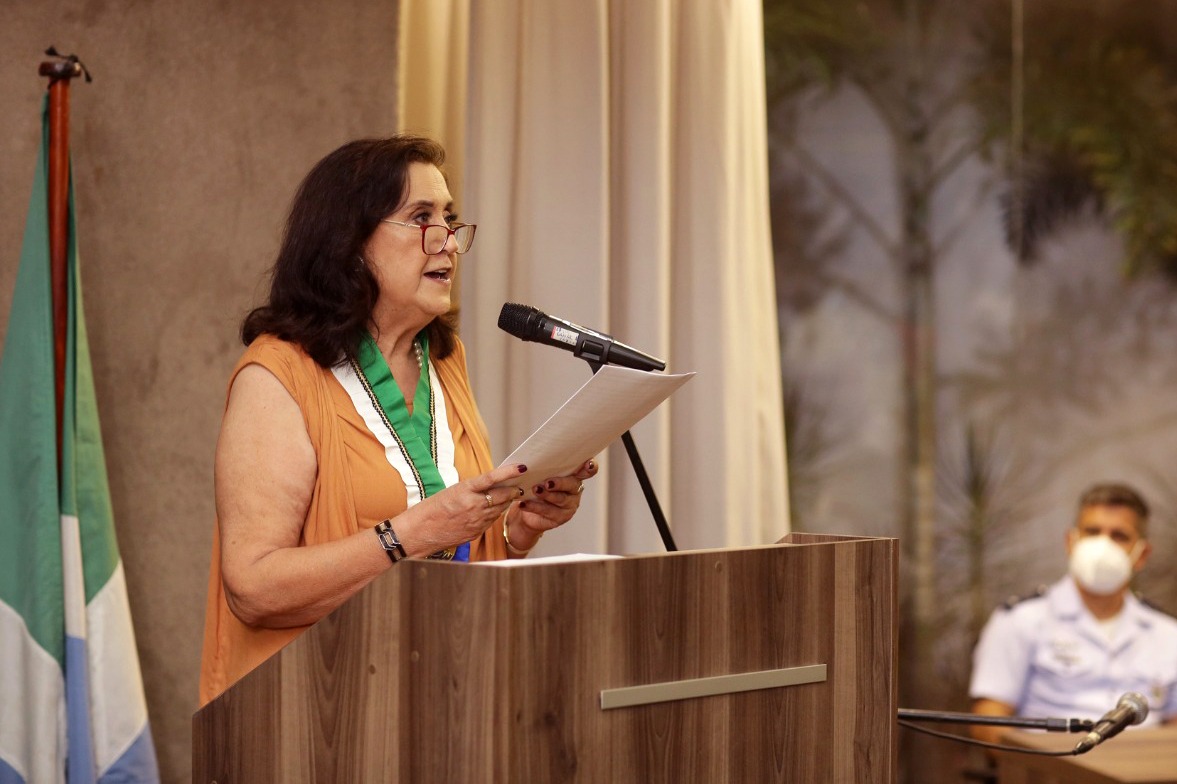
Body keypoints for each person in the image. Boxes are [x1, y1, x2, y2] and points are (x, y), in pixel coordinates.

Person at [198, 135, 598, 705]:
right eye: (420, 218)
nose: (448, 242)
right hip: (313, 710)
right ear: (349, 241)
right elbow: (254, 588)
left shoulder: (443, 359)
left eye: (450, 220)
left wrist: (517, 529)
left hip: (440, 694)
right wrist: (410, 535)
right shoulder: (278, 375)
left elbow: (452, 552)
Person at [968, 482, 1177, 745]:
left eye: (1119, 536)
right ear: (1071, 541)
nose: (1103, 545)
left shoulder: (1169, 635)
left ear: (1142, 554)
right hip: (1049, 764)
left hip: (1141, 765)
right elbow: (988, 723)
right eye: (1092, 532)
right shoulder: (1020, 620)